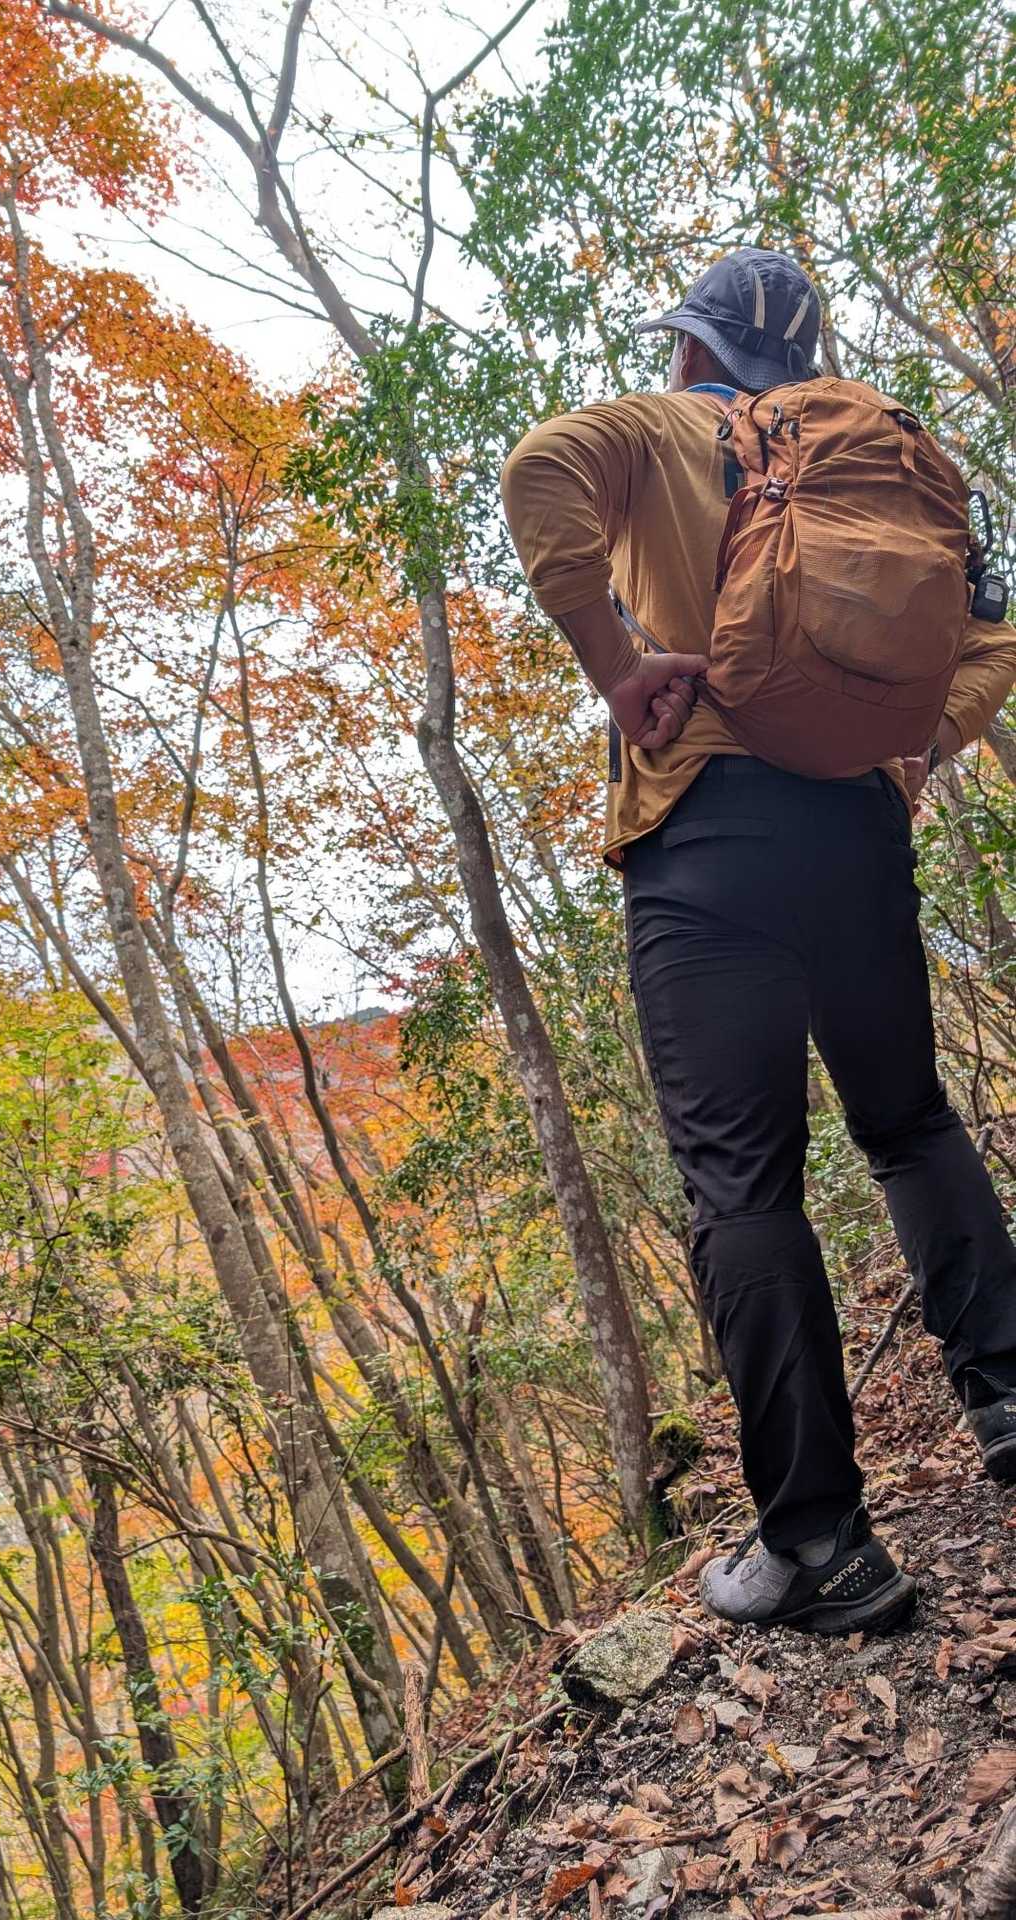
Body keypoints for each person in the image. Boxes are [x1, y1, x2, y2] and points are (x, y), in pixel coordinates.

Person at [501, 247, 1016, 1635]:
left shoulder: (662, 428)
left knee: (744, 1186)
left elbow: (538, 471)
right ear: (805, 366)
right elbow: (992, 635)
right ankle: (1009, 1393)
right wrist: (914, 753)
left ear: (693, 350)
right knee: (908, 1122)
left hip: (709, 832)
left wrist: (618, 668)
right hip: (855, 832)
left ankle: (822, 1545)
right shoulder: (885, 467)